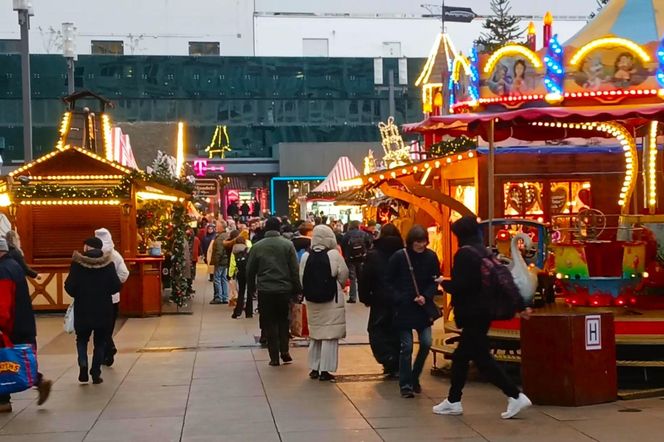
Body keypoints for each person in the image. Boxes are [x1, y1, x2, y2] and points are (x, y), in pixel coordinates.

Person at [433, 216, 532, 418]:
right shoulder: (483, 251)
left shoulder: (464, 254)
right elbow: (502, 279)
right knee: (462, 357)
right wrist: (520, 305)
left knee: (482, 360)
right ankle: (453, 400)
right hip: (484, 312)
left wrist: (444, 283)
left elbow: (464, 286)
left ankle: (515, 395)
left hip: (473, 313)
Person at [387, 225, 440, 398]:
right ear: (411, 241)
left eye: (423, 241)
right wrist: (399, 297)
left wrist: (426, 295)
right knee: (407, 346)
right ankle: (406, 384)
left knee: (426, 342)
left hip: (422, 308)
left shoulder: (431, 257)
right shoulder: (399, 257)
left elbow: (434, 280)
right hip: (403, 308)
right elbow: (388, 281)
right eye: (417, 241)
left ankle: (414, 376)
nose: (421, 245)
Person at [0, 237, 52, 411]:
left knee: (6, 360)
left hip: (10, 326)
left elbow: (3, 303)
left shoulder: (3, 271)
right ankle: (38, 382)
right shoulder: (13, 266)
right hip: (22, 323)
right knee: (10, 361)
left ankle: (3, 402)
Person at [65, 237, 122, 385]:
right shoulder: (108, 264)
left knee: (82, 339)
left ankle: (83, 364)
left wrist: (79, 293)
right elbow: (116, 286)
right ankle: (95, 373)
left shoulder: (77, 265)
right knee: (100, 342)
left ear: (87, 247)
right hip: (103, 309)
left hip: (83, 308)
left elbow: (69, 286)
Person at [247, 217, 302, 366]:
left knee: (269, 322)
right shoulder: (288, 245)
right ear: (279, 229)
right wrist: (297, 289)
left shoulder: (257, 246)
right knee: (283, 320)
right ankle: (285, 350)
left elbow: (250, 270)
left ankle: (274, 357)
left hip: (265, 290)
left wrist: (251, 289)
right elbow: (294, 269)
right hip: (284, 289)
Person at [300, 225, 348, 381]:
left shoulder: (306, 256)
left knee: (316, 335)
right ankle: (325, 370)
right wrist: (337, 286)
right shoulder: (334, 255)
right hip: (331, 300)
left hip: (312, 301)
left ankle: (314, 367)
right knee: (329, 336)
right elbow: (343, 274)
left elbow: (301, 277)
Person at [359, 223, 403, 377]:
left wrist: (365, 297)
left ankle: (387, 358)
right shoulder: (404, 252)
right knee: (397, 330)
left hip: (380, 298)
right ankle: (397, 361)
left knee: (377, 330)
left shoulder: (374, 254)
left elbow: (366, 277)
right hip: (401, 298)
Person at [94, 228, 129, 367]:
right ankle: (107, 351)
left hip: (97, 298)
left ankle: (108, 350)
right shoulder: (115, 255)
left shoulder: (93, 255)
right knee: (108, 326)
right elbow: (124, 273)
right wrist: (115, 285)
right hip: (113, 298)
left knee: (99, 327)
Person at [341, 220, 372, 303]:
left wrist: (346, 256)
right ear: (358, 226)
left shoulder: (346, 235)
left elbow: (343, 246)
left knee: (352, 278)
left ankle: (353, 297)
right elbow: (369, 244)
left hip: (350, 259)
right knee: (361, 277)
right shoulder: (363, 234)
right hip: (362, 258)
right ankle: (363, 296)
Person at [230, 235, 251, 318]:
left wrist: (230, 274)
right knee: (249, 291)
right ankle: (249, 312)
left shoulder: (234, 251)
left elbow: (232, 264)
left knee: (241, 291)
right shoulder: (248, 249)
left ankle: (238, 311)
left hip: (240, 272)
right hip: (248, 272)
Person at [209, 229, 232, 304]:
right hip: (225, 261)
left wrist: (216, 261)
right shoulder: (227, 236)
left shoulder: (220, 238)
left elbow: (219, 251)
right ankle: (225, 297)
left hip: (220, 261)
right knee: (223, 278)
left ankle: (218, 297)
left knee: (217, 278)